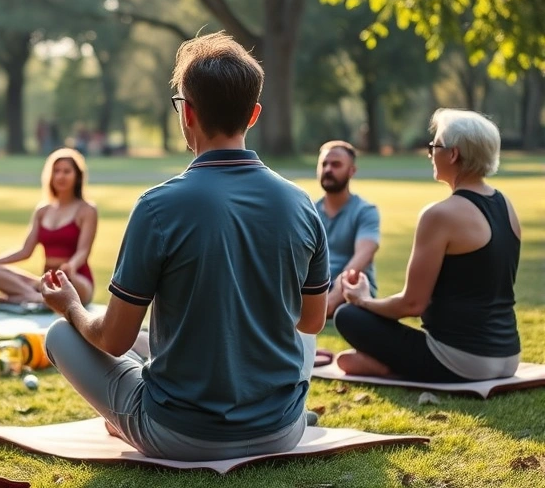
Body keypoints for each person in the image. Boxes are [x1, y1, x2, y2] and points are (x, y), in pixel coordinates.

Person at [40, 31, 328, 461]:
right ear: (253, 115)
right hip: (282, 428)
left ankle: (126, 422)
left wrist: (70, 306)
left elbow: (114, 339)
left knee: (62, 335)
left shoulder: (159, 206)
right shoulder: (301, 203)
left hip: (181, 435)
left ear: (186, 113)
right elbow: (311, 321)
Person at [334, 109, 521, 382]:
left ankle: (389, 367)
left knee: (348, 316)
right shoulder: (506, 205)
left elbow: (411, 304)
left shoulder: (440, 215)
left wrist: (362, 300)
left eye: (435, 146)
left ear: (453, 154)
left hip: (461, 360)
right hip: (508, 356)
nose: (430, 153)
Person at [0, 148, 98, 306]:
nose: (61, 176)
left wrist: (71, 266)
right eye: (56, 171)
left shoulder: (87, 210)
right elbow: (25, 251)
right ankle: (35, 297)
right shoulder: (42, 211)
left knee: (67, 285)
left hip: (76, 280)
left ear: (77, 176)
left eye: (67, 171)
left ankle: (29, 297)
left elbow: (83, 251)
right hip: (46, 281)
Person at [315, 140, 380, 317]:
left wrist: (334, 296)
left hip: (350, 288)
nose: (328, 169)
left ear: (352, 171)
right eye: (324, 164)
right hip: (316, 287)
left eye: (336, 165)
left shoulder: (365, 211)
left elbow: (363, 256)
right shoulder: (309, 212)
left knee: (346, 312)